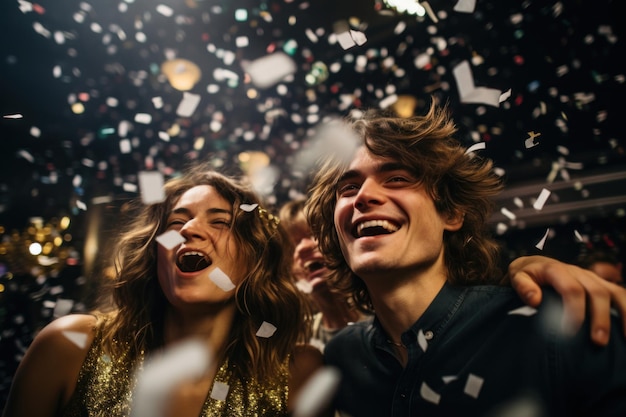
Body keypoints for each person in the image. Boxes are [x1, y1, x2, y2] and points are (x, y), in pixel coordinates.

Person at [305, 102, 626, 416]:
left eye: (397, 178)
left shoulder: (557, 324)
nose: (362, 196)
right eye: (348, 187)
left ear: (451, 213)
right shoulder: (341, 357)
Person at [2, 165, 332, 417]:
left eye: (219, 221)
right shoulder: (70, 346)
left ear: (254, 259)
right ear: (157, 254)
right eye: (176, 223)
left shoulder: (297, 372)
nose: (189, 230)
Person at [279, 197, 367, 351]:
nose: (302, 248)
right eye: (292, 247)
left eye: (314, 234)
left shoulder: (385, 312)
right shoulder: (300, 344)